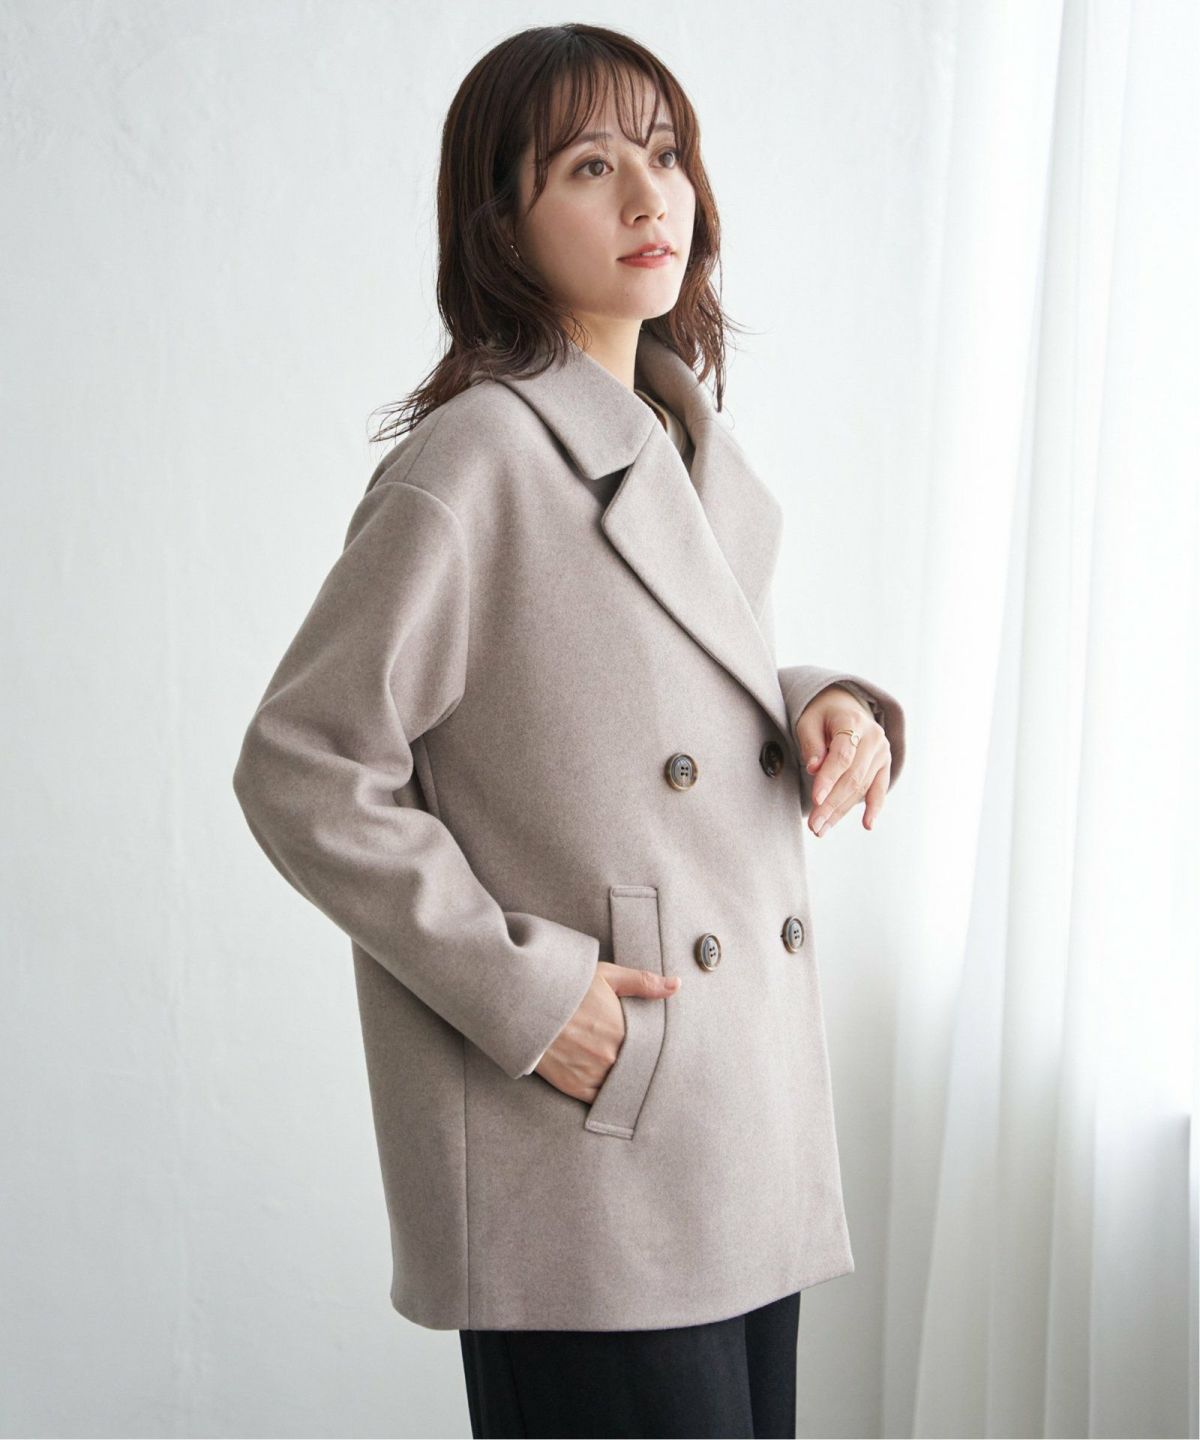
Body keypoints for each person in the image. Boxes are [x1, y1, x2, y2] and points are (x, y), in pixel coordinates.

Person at [232, 21, 907, 1440]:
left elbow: (651, 688)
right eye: (591, 166)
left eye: (664, 154)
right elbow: (304, 765)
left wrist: (817, 703)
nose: (651, 196)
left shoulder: (683, 442)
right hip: (588, 1154)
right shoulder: (476, 458)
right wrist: (530, 996)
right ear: (502, 220)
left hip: (730, 1127)